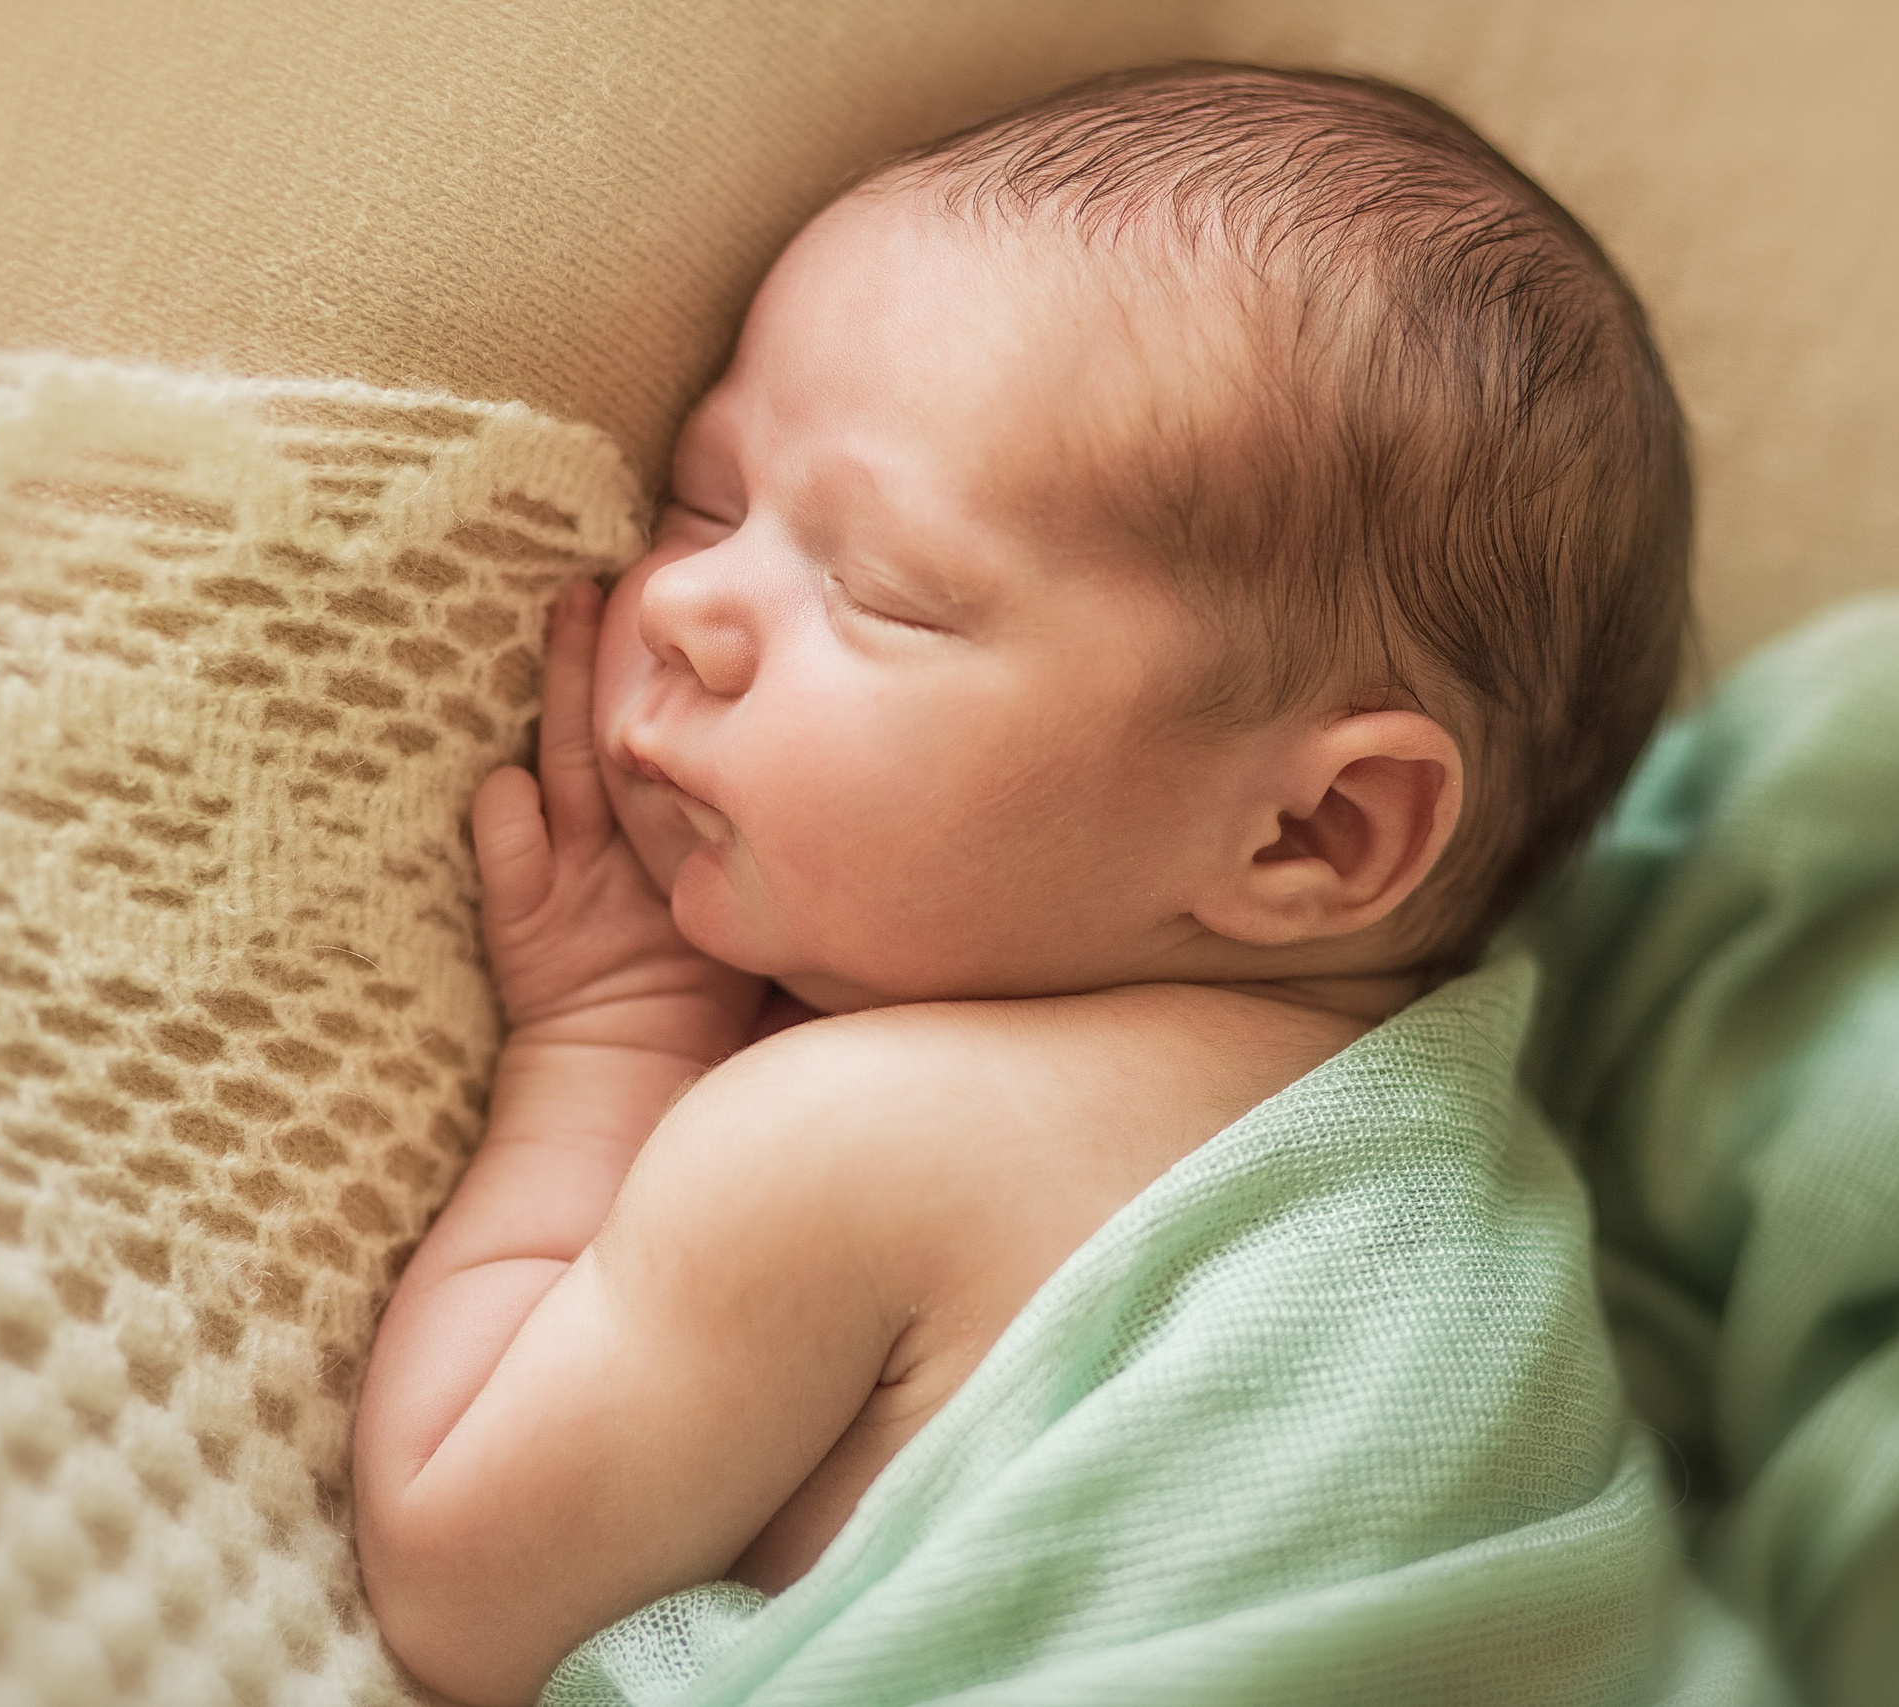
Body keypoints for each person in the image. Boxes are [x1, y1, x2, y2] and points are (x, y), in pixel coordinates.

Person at [351, 61, 1691, 1707]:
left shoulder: (846, 1140)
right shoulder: (1455, 1157)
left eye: (886, 590)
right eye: (710, 499)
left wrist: (611, 1042)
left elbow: (459, 1578)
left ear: (1315, 838)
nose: (689, 598)